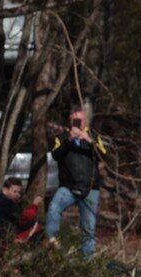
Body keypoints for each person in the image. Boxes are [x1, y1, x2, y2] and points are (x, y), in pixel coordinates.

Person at [45, 108, 108, 260]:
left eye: (80, 120)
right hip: (67, 187)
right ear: (69, 121)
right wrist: (69, 140)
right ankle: (53, 243)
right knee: (53, 208)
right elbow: (55, 155)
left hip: (91, 188)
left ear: (86, 121)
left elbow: (103, 155)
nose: (78, 123)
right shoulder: (62, 137)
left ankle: (88, 262)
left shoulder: (94, 135)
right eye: (74, 120)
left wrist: (88, 139)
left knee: (89, 227)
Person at [0, 178, 42, 242]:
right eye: (14, 191)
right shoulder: (6, 202)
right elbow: (26, 216)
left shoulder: (1, 200)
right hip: (4, 234)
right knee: (37, 224)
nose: (17, 194)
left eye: (19, 192)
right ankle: (18, 241)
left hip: (0, 232)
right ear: (5, 190)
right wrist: (34, 205)